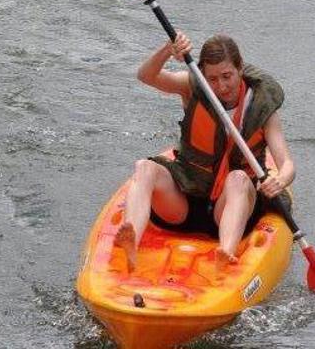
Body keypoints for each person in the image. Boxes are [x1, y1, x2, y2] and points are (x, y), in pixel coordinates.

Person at [113, 32, 294, 272]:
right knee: (144, 167)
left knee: (238, 178)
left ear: (240, 68)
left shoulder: (262, 106)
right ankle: (131, 239)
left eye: (227, 76)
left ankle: (226, 251)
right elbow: (146, 76)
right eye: (213, 79)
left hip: (229, 210)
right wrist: (168, 49)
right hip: (185, 201)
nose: (221, 86)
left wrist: (279, 181)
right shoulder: (192, 87)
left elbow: (287, 165)